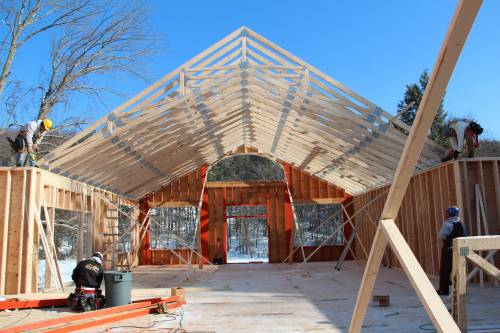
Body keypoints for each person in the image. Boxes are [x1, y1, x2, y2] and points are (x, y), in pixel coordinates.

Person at [437, 206, 467, 296]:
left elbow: (441, 236)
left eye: (447, 213)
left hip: (449, 250)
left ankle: (444, 290)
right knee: (460, 269)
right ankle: (461, 290)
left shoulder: (448, 224)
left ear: (450, 214)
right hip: (462, 250)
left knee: (445, 270)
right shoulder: (461, 223)